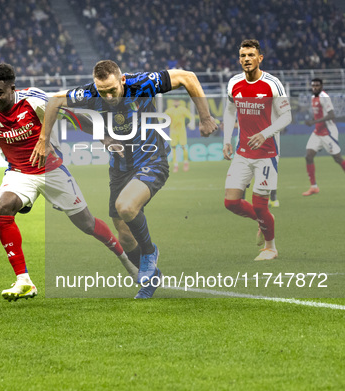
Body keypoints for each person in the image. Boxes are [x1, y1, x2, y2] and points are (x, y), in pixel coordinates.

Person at [0, 63, 135, 302]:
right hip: (19, 173)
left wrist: (105, 138)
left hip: (52, 171)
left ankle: (126, 260)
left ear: (12, 88)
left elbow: (72, 117)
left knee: (87, 224)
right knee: (2, 206)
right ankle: (24, 281)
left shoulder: (33, 101)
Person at [33, 60, 218, 298]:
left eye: (112, 90)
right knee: (125, 236)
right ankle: (152, 278)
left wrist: (204, 117)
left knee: (126, 207)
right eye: (103, 92)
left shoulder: (140, 83)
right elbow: (55, 101)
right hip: (119, 167)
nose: (108, 96)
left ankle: (150, 252)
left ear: (121, 80)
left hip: (152, 160)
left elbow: (187, 77)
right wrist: (44, 139)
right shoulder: (90, 93)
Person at [222, 39, 292, 261]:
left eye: (251, 55)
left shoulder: (272, 83)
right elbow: (230, 111)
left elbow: (287, 116)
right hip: (243, 152)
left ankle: (270, 247)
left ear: (260, 58)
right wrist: (227, 140)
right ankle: (263, 222)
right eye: (243, 55)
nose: (246, 59)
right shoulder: (234, 82)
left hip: (267, 153)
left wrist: (265, 133)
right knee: (231, 202)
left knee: (260, 205)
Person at [302, 78, 345, 196]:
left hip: (328, 132)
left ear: (321, 86)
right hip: (317, 132)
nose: (315, 87)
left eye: (317, 85)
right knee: (308, 156)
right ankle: (314, 187)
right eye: (313, 86)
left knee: (338, 158)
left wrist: (313, 121)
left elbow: (331, 115)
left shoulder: (324, 97)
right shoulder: (312, 97)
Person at [165, 99, 192, 172]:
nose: (175, 102)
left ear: (179, 102)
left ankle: (186, 163)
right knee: (173, 148)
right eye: (174, 101)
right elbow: (162, 116)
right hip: (173, 132)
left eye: (177, 101)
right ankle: (175, 165)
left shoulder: (183, 109)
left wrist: (191, 123)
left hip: (181, 131)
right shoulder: (170, 110)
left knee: (183, 146)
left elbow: (190, 116)